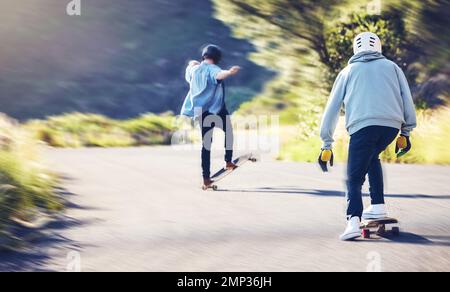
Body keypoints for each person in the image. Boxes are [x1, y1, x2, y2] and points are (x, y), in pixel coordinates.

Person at [319, 32, 417, 241]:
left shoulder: (347, 71)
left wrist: (326, 143)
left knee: (353, 178)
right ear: (378, 47)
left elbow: (332, 109)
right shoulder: (393, 67)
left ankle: (353, 222)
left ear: (355, 48)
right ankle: (378, 206)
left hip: (363, 128)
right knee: (372, 158)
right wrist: (406, 132)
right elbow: (406, 98)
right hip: (390, 128)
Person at [181, 44, 241, 189]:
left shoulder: (194, 70)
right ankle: (228, 161)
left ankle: (206, 179)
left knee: (206, 145)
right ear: (217, 58)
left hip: (201, 112)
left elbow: (191, 65)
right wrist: (230, 72)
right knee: (229, 132)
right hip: (216, 109)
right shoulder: (214, 69)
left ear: (204, 56)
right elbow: (219, 75)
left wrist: (193, 62)